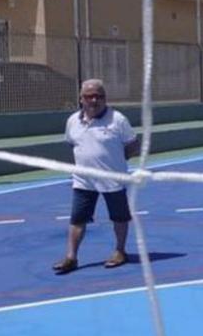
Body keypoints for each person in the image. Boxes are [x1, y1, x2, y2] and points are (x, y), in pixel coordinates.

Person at [53, 79, 139, 274]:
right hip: (84, 180)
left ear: (105, 98)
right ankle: (71, 257)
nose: (94, 100)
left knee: (119, 217)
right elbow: (72, 143)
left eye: (99, 96)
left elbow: (133, 144)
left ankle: (120, 251)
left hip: (113, 180)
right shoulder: (73, 121)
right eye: (89, 96)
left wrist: (118, 159)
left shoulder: (118, 120)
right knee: (77, 219)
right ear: (81, 99)